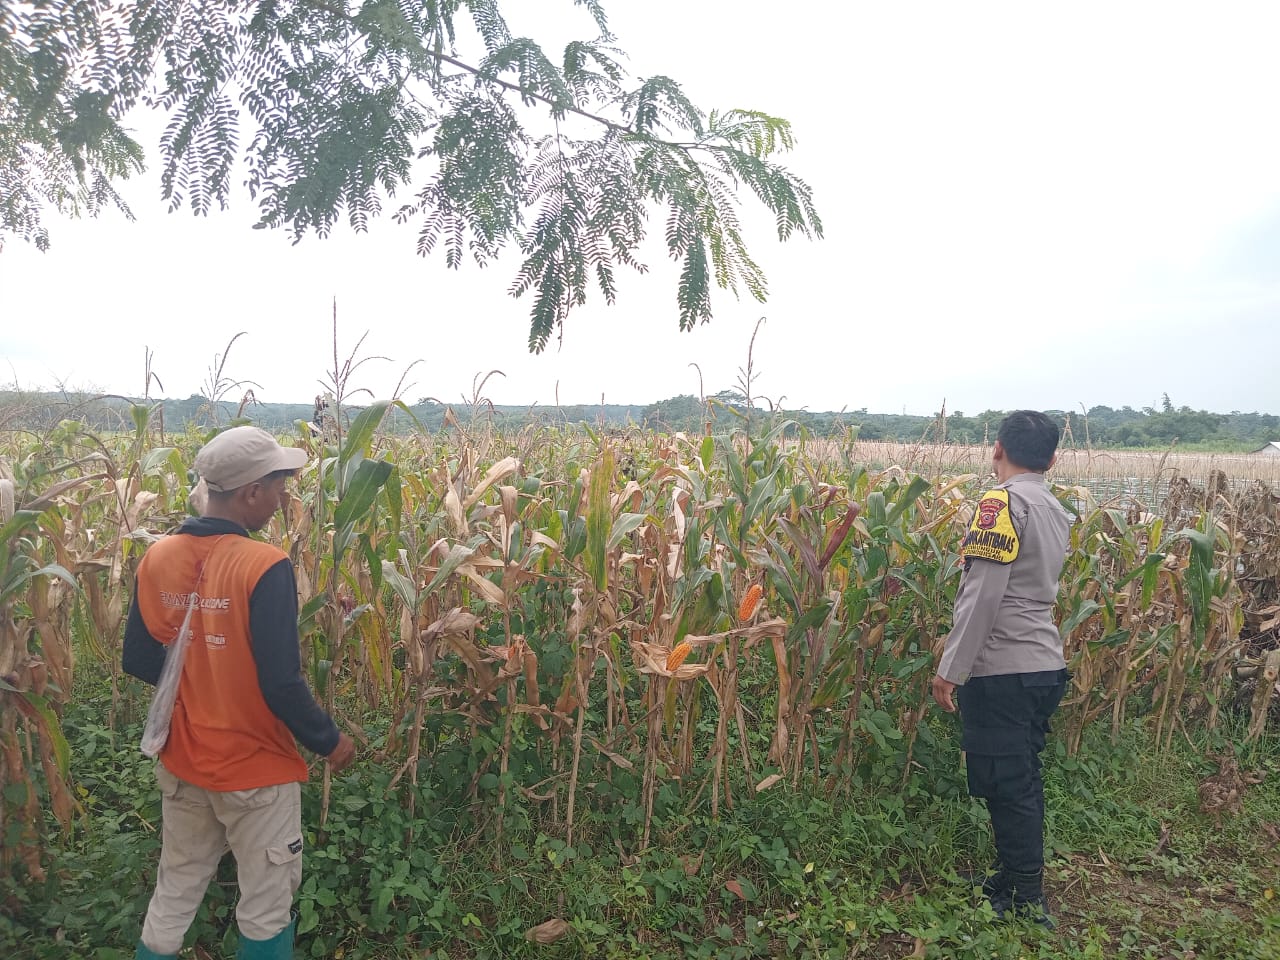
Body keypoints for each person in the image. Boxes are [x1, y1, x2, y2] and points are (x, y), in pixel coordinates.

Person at [124, 426, 356, 960]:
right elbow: (281, 682)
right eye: (278, 487)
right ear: (251, 491)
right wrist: (329, 741)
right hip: (255, 768)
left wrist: (200, 683)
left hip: (183, 761)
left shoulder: (158, 556)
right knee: (267, 905)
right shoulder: (264, 565)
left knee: (175, 890)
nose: (282, 499)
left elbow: (138, 658)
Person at [931, 411, 1071, 926]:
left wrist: (951, 668)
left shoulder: (1002, 504)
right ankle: (1012, 878)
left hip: (1003, 667)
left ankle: (1026, 895)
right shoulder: (1055, 508)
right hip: (1043, 664)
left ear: (997, 449)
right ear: (1051, 459)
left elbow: (983, 595)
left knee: (1008, 783)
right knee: (1018, 778)